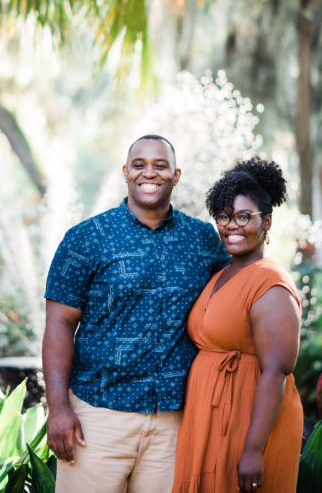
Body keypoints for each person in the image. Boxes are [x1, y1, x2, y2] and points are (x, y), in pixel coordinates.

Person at [42, 134, 231, 492]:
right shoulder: (86, 237)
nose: (150, 173)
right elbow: (59, 326)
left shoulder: (202, 239)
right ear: (126, 172)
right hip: (98, 415)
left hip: (173, 420)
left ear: (176, 175)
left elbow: (235, 294)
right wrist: (58, 408)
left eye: (161, 165)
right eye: (140, 165)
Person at [172, 157, 303, 493]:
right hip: (209, 414)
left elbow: (276, 371)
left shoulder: (270, 284)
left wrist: (253, 449)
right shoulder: (222, 273)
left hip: (246, 419)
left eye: (244, 216)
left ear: (267, 221)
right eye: (225, 217)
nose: (232, 226)